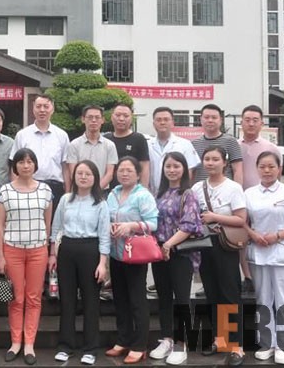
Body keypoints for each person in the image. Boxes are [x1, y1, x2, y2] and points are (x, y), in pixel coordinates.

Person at [246, 151, 284, 366]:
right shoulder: (249, 193)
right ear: (257, 169)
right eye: (262, 166)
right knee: (263, 299)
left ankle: (283, 345)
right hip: (258, 252)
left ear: (279, 169)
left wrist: (278, 236)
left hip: (283, 253)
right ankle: (266, 343)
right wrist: (253, 235)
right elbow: (243, 221)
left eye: (271, 166)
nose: (267, 170)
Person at [48, 160, 109, 366]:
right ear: (74, 177)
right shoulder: (65, 199)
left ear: (95, 178)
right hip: (67, 250)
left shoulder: (100, 204)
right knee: (67, 300)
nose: (83, 177)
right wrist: (52, 254)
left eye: (88, 174)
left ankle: (90, 348)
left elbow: (104, 236)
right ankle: (65, 346)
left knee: (91, 301)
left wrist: (102, 263)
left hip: (90, 250)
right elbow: (56, 228)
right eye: (80, 173)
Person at [0, 148, 53, 365]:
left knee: (34, 298)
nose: (26, 165)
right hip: (12, 250)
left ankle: (29, 343)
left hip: (38, 250)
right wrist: (0, 256)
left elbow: (47, 223)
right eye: (21, 162)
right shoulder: (5, 191)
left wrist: (48, 249)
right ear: (15, 166)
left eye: (29, 161)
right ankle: (15, 342)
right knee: (16, 298)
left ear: (35, 165)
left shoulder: (45, 190)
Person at [191, 147, 247, 366]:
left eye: (215, 159)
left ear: (225, 163)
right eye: (207, 159)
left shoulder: (233, 187)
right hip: (204, 245)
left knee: (229, 294)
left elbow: (241, 219)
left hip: (225, 245)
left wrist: (215, 217)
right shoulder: (197, 188)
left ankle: (237, 346)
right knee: (212, 294)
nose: (211, 163)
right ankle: (220, 339)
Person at [149, 152, 204, 365]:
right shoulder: (160, 193)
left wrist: (169, 244)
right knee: (163, 297)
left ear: (184, 169)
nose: (171, 170)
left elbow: (189, 225)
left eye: (176, 166)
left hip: (180, 252)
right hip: (159, 253)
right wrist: (159, 246)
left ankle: (182, 344)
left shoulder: (188, 194)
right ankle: (167, 339)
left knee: (181, 299)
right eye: (168, 166)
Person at [105, 156, 158, 364]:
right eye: (121, 170)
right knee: (120, 298)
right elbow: (107, 217)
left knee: (137, 300)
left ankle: (139, 345)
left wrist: (131, 226)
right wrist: (110, 226)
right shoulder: (113, 194)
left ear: (137, 174)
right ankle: (123, 339)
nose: (124, 174)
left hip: (135, 255)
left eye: (129, 170)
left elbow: (153, 223)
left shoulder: (143, 195)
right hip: (116, 253)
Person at [238, 105, 282, 296]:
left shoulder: (271, 148)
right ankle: (247, 277)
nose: (251, 123)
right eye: (247, 120)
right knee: (241, 239)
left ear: (262, 123)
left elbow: (278, 175)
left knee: (262, 236)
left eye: (255, 120)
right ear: (241, 122)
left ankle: (264, 275)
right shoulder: (234, 146)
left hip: (263, 201)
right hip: (240, 201)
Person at [10, 94, 69, 211]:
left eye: (46, 106)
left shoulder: (62, 135)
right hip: (27, 186)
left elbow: (65, 167)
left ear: (52, 109)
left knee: (53, 221)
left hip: (55, 188)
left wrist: (67, 193)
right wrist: (14, 190)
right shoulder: (22, 135)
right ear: (33, 108)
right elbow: (14, 165)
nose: (42, 110)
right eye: (38, 106)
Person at [147, 107, 200, 194]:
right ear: (153, 124)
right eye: (159, 120)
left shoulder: (185, 144)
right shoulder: (147, 145)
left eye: (166, 119)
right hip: (153, 194)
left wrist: (182, 191)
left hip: (178, 194)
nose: (162, 122)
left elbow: (190, 171)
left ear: (172, 123)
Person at [66, 105, 118, 190]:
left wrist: (96, 191)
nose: (94, 120)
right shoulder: (74, 145)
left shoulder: (110, 145)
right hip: (80, 191)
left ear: (102, 120)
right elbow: (73, 173)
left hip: (102, 191)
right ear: (83, 119)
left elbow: (109, 174)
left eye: (97, 117)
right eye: (90, 117)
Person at [191, 104, 243, 184]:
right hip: (201, 190)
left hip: (225, 189)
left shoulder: (231, 141)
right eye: (206, 117)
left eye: (214, 117)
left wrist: (237, 189)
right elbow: (192, 171)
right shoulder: (194, 144)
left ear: (221, 120)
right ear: (201, 119)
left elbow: (237, 170)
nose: (210, 120)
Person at [104, 104, 150, 190]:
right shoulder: (105, 139)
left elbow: (144, 167)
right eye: (118, 115)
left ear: (131, 118)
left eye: (126, 116)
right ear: (112, 117)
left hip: (132, 189)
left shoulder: (139, 139)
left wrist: (143, 191)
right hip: (107, 190)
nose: (121, 119)